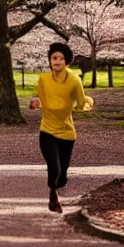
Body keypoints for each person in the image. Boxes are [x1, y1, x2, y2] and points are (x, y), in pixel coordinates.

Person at [36, 43, 88, 214]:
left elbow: (81, 103)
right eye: (53, 58)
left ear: (67, 61)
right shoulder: (43, 79)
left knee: (63, 174)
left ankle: (57, 186)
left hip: (66, 133)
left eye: (60, 59)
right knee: (54, 166)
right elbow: (42, 100)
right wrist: (35, 103)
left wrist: (87, 103)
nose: (57, 62)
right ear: (50, 61)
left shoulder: (74, 80)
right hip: (47, 130)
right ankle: (53, 196)